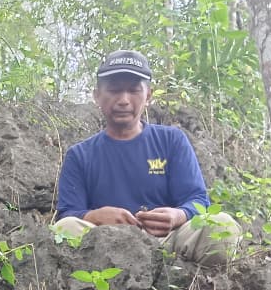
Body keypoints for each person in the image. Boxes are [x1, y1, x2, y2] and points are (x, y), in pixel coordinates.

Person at [53, 50, 241, 266]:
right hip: (105, 248)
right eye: (114, 90)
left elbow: (197, 200)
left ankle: (189, 282)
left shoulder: (172, 140)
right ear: (97, 96)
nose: (123, 100)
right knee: (66, 228)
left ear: (148, 96)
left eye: (133, 90)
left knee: (222, 226)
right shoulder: (79, 155)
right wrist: (96, 216)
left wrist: (176, 216)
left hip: (168, 244)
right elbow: (67, 214)